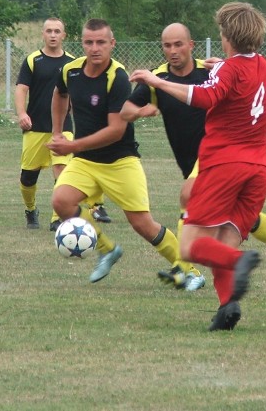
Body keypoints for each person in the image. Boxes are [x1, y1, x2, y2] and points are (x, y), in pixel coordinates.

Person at [129, 2, 266, 332]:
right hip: (258, 169)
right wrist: (227, 67)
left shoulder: (226, 70)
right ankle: (226, 309)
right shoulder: (261, 63)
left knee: (190, 245)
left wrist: (157, 82)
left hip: (224, 166)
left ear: (227, 36)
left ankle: (241, 262)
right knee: (223, 243)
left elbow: (204, 97)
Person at [121, 22, 266, 293]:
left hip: (218, 156)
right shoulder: (158, 77)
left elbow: (252, 86)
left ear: (192, 45)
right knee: (248, 220)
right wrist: (141, 112)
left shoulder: (211, 69)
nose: (173, 50)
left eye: (179, 44)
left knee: (188, 195)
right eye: (167, 45)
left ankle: (185, 269)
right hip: (194, 160)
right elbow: (126, 111)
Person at [47, 18, 184, 285]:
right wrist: (56, 131)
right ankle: (107, 251)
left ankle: (189, 270)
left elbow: (115, 131)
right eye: (88, 42)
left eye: (100, 42)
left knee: (143, 225)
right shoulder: (70, 71)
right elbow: (59, 94)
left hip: (120, 161)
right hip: (85, 161)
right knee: (61, 201)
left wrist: (71, 145)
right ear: (82, 43)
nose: (94, 48)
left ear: (112, 44)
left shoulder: (118, 78)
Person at [15, 18, 111, 232]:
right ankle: (30, 210)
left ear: (64, 35)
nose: (53, 35)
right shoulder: (33, 60)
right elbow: (21, 88)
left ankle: (57, 218)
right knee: (28, 177)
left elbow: (79, 94)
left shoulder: (73, 64)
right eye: (49, 30)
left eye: (57, 31)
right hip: (35, 128)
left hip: (63, 128)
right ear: (43, 34)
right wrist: (22, 113)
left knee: (62, 172)